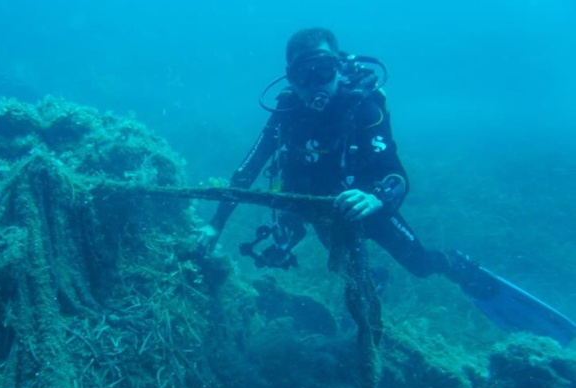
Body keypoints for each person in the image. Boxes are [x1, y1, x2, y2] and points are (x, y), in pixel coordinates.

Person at [197, 28, 576, 346]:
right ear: (290, 77)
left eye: (324, 71)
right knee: (313, 256)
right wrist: (213, 226)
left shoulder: (363, 106)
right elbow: (245, 174)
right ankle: (368, 282)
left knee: (421, 266)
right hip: (314, 207)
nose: (317, 86)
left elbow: (394, 173)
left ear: (340, 68)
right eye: (304, 75)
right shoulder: (285, 113)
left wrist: (374, 197)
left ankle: (459, 267)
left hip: (365, 204)